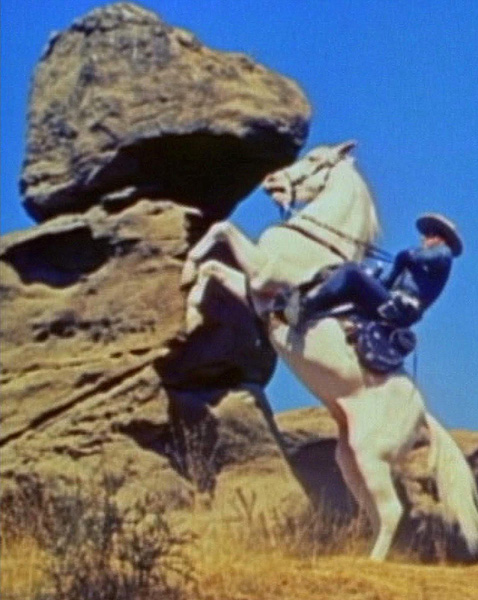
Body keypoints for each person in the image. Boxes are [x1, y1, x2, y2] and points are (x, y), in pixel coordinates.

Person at [294, 213, 463, 327]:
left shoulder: (444, 253)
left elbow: (414, 256)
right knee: (352, 273)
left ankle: (306, 307)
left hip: (400, 309)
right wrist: (371, 276)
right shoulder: (413, 265)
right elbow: (387, 282)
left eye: (430, 234)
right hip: (390, 302)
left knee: (352, 271)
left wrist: (404, 258)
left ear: (441, 239)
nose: (424, 238)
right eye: (426, 234)